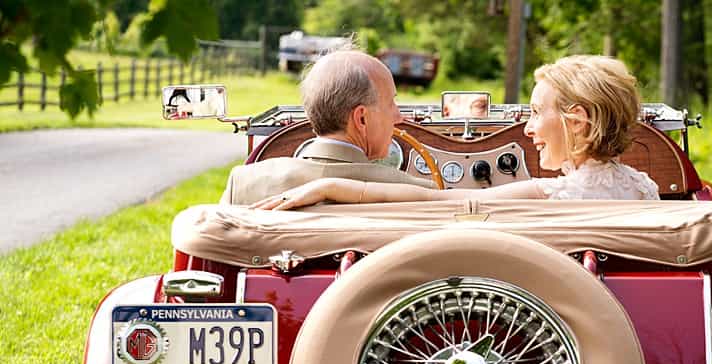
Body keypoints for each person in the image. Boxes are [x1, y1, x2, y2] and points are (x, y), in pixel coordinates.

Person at [251, 55, 659, 210]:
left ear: (578, 121)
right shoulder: (646, 191)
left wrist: (329, 188)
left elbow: (438, 199)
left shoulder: (551, 195)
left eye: (535, 113)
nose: (528, 129)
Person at [221, 43, 435, 205]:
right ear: (361, 119)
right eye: (391, 103)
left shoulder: (242, 184)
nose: (399, 117)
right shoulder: (416, 194)